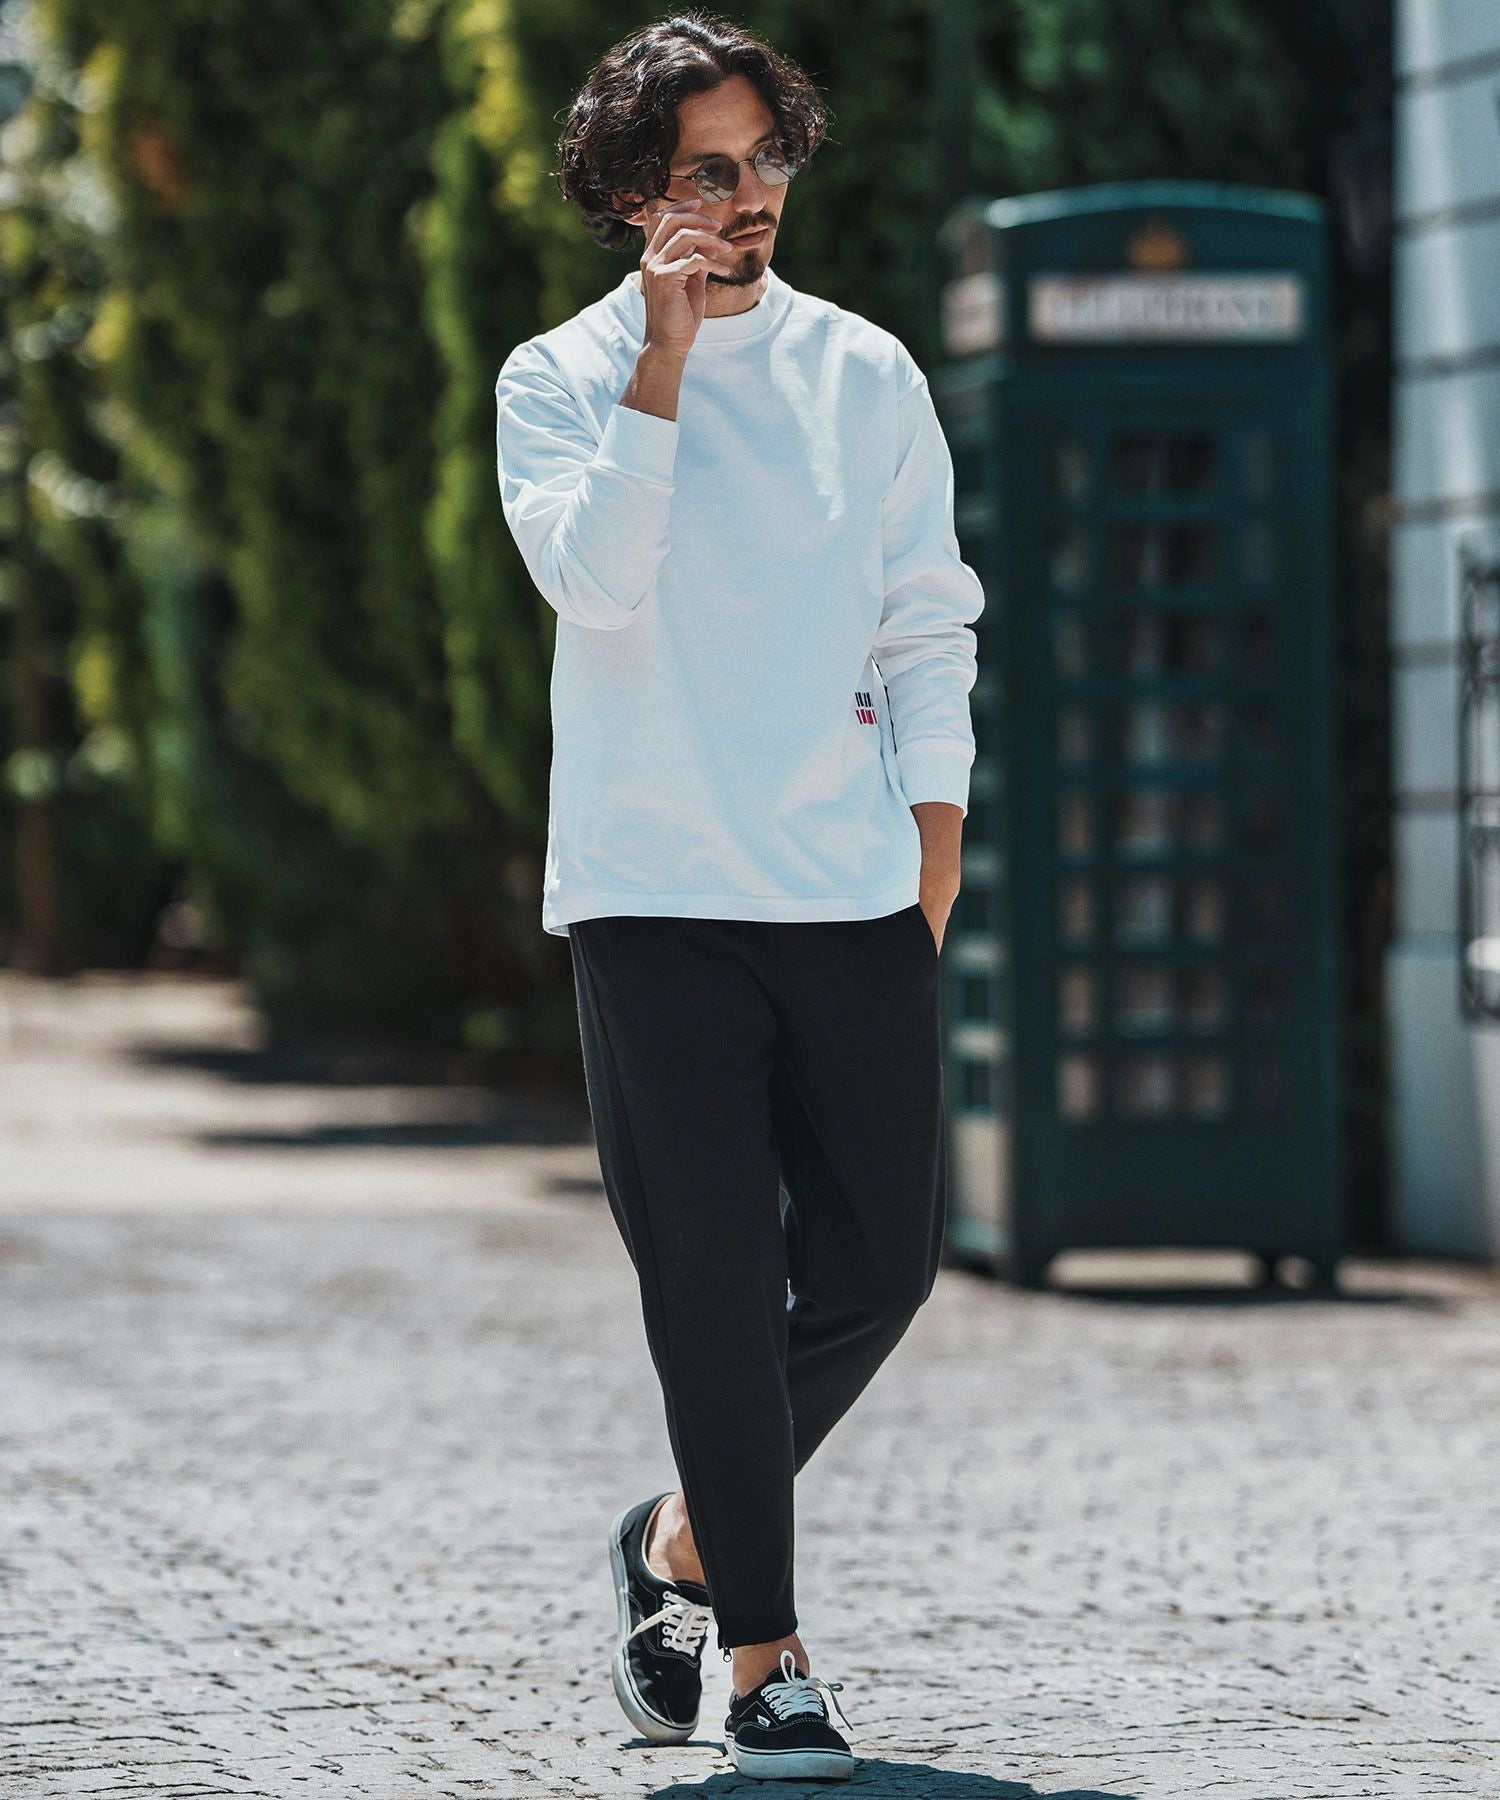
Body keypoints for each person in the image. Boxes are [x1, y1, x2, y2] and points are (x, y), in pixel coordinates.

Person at [494, 9, 984, 1782]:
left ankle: (683, 1539)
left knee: (880, 1270)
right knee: (712, 1280)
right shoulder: (556, 379)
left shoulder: (868, 371)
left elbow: (927, 617)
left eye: (768, 158)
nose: (751, 194)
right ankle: (766, 1661)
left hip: (851, 891)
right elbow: (600, 585)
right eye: (709, 168)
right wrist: (663, 363)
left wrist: (934, 844)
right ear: (635, 192)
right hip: (651, 898)